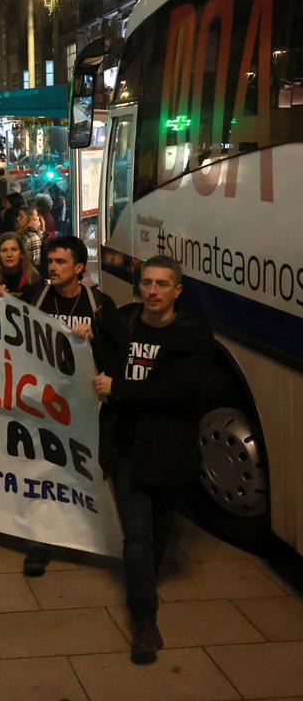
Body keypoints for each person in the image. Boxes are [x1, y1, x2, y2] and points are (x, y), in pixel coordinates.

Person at [92, 256, 214, 665]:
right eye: (147, 283)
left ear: (177, 290)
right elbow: (89, 334)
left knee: (162, 525)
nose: (154, 291)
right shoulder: (124, 321)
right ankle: (144, 618)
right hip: (127, 447)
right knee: (137, 536)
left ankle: (145, 580)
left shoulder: (193, 334)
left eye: (163, 284)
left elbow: (179, 392)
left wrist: (119, 388)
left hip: (169, 451)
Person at [19, 235, 122, 577]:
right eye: (50, 261)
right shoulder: (40, 296)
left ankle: (85, 527)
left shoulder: (100, 304)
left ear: (79, 268)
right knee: (43, 467)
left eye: (61, 262)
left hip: (85, 404)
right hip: (45, 401)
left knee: (81, 467)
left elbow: (119, 352)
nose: (52, 267)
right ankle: (40, 540)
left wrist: (95, 336)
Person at [0, 232, 42, 299]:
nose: (9, 255)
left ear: (21, 254)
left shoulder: (33, 279)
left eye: (14, 250)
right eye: (4, 250)